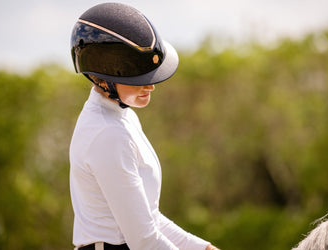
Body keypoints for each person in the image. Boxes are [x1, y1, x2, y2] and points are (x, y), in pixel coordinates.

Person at [69, 3, 219, 250]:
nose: (151, 86)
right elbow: (144, 241)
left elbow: (149, 218)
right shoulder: (108, 134)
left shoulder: (120, 116)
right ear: (105, 78)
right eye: (138, 77)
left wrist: (204, 248)